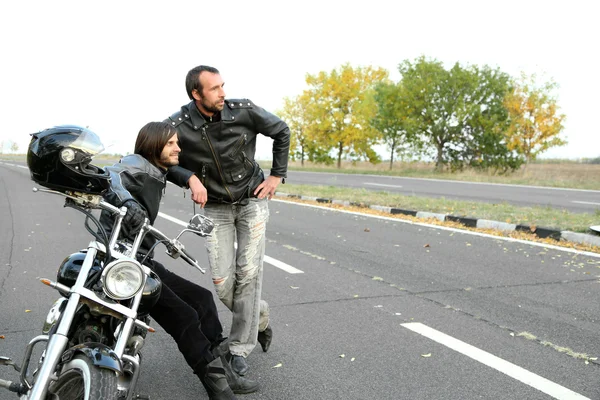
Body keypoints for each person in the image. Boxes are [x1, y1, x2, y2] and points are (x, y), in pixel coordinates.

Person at [99, 122, 259, 400]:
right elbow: (109, 176)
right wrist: (128, 203)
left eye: (177, 143)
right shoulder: (134, 164)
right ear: (154, 145)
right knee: (184, 316)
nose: (178, 148)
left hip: (143, 258)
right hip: (123, 263)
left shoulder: (155, 168)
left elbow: (171, 168)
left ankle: (228, 373)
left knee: (203, 300)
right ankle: (217, 389)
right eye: (171, 143)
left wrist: (191, 178)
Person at [166, 65, 290, 375]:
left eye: (223, 86)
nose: (223, 93)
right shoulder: (178, 125)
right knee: (222, 283)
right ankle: (258, 316)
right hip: (215, 208)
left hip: (252, 200)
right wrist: (189, 178)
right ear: (196, 94)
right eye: (215, 89)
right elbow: (158, 156)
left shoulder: (243, 111)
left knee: (248, 274)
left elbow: (281, 131)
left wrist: (277, 175)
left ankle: (239, 349)